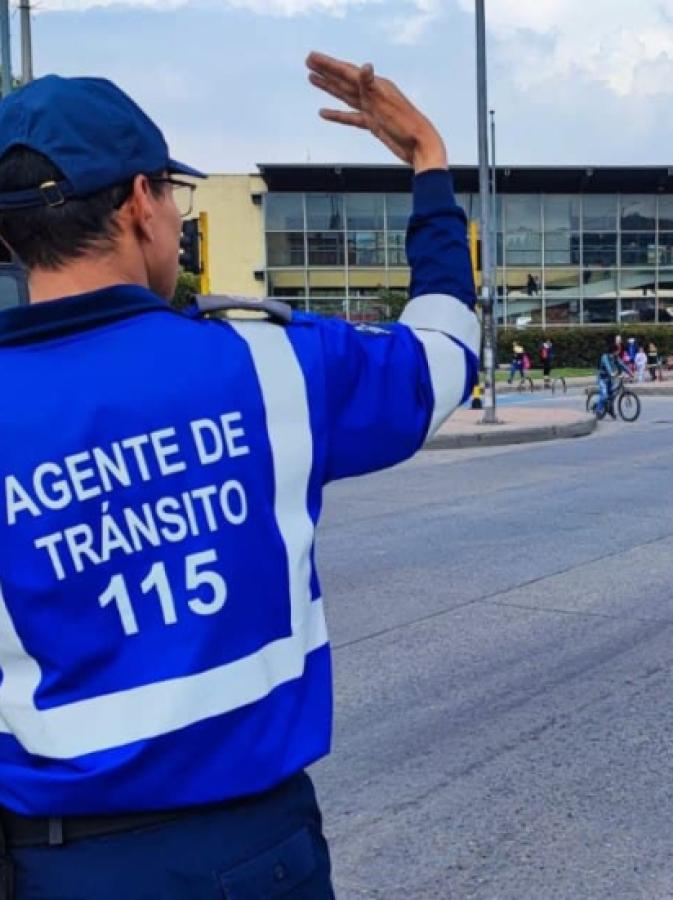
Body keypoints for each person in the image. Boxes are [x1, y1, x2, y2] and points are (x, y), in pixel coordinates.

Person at [0, 53, 479, 896]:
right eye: (175, 198)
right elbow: (443, 358)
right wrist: (429, 162)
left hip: (56, 867)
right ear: (140, 201)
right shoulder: (272, 366)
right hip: (255, 859)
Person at [594, 338, 632, 415]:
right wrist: (611, 373)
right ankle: (598, 409)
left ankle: (610, 409)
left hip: (610, 379)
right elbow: (608, 366)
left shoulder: (615, 357)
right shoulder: (605, 357)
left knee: (612, 394)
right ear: (614, 350)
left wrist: (630, 372)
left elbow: (622, 365)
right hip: (602, 379)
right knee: (604, 395)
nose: (619, 351)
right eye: (618, 350)